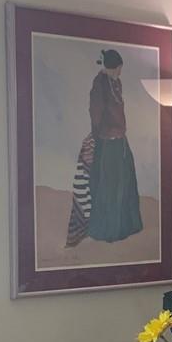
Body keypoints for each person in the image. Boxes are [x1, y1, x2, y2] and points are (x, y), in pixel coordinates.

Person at [66, 48, 143, 246]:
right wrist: (99, 135)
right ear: (110, 67)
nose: (120, 72)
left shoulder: (116, 83)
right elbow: (96, 112)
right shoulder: (99, 83)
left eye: (120, 69)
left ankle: (126, 226)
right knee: (109, 186)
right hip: (107, 141)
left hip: (120, 140)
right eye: (118, 68)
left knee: (125, 181)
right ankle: (107, 230)